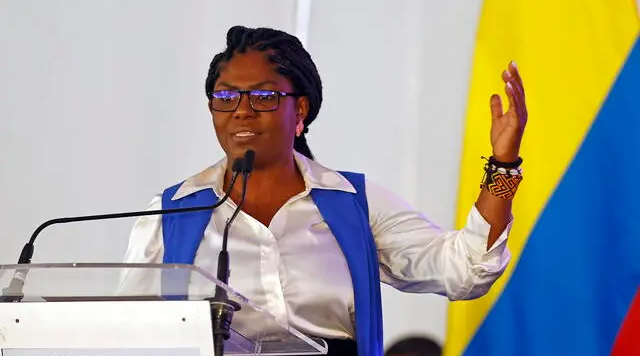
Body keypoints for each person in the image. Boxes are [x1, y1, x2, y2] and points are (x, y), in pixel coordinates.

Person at [118, 26, 528, 356]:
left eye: (263, 95)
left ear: (299, 110)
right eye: (224, 96)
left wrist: (503, 165)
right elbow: (123, 335)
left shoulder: (352, 202)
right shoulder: (172, 214)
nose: (241, 109)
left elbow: (465, 271)